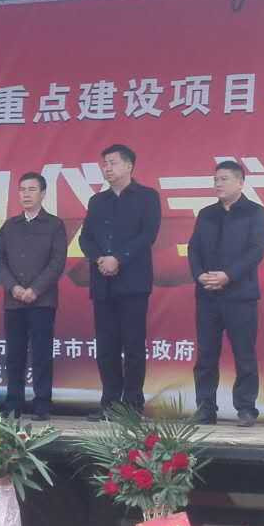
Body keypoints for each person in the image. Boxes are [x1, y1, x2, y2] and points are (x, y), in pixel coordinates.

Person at [79, 143, 161, 420]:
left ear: (129, 166)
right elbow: (85, 238)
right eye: (104, 164)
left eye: (112, 163)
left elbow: (148, 234)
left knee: (133, 346)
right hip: (103, 282)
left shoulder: (147, 197)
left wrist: (119, 259)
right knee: (106, 347)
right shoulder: (97, 201)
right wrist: (100, 259)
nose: (107, 168)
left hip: (133, 283)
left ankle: (132, 405)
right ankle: (110, 404)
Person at [188, 160, 264, 427]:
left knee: (244, 355)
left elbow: (256, 250)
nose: (218, 184)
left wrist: (228, 275)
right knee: (206, 356)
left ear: (240, 182)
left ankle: (246, 409)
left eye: (224, 179)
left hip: (240, 296)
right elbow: (193, 248)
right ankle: (205, 409)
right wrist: (199, 274)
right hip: (207, 295)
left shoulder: (255, 212)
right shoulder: (206, 214)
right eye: (216, 179)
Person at [0, 172, 67, 421]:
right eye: (22, 189)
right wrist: (13, 287)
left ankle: (42, 404)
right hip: (13, 300)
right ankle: (13, 403)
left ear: (43, 193)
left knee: (41, 354)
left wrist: (35, 289)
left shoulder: (54, 225)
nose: (26, 194)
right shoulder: (10, 226)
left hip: (42, 301)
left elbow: (57, 262)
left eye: (32, 189)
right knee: (14, 355)